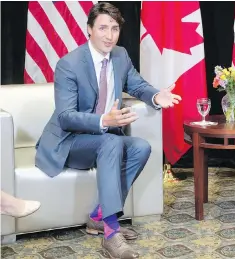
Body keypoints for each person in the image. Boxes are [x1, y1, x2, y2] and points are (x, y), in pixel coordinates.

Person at [35, 3, 181, 258]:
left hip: (102, 140)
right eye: (102, 28)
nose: (109, 35)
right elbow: (66, 117)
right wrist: (105, 120)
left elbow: (137, 85)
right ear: (89, 29)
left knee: (141, 147)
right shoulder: (69, 64)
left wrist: (156, 96)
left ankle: (98, 216)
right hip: (70, 142)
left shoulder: (120, 55)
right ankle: (112, 234)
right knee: (112, 143)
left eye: (114, 29)